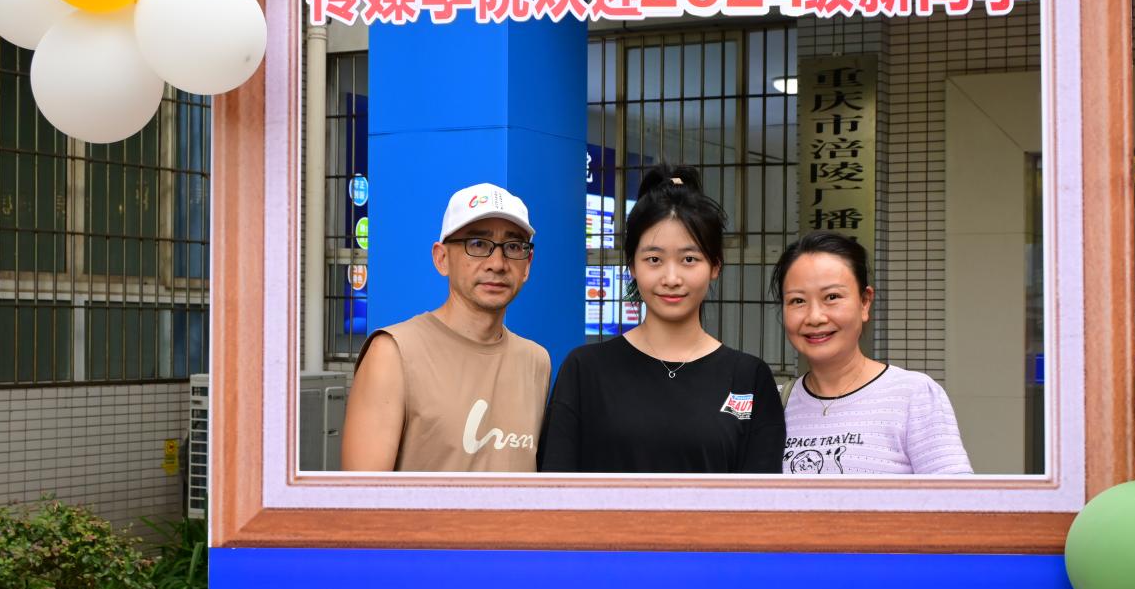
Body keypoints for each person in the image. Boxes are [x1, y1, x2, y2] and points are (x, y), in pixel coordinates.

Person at [538, 164, 783, 473]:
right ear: (632, 266)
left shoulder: (749, 377)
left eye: (689, 259)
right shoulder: (584, 370)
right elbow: (555, 487)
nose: (671, 278)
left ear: (715, 266)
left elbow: (763, 495)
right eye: (654, 259)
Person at [341, 183, 550, 471]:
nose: (497, 263)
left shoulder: (536, 361)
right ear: (441, 258)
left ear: (527, 265)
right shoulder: (393, 353)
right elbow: (361, 494)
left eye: (513, 247)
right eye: (478, 244)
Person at [771, 231, 972, 475]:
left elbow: (955, 496)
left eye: (832, 297)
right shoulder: (774, 403)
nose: (815, 317)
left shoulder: (913, 395)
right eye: (798, 301)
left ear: (865, 302)